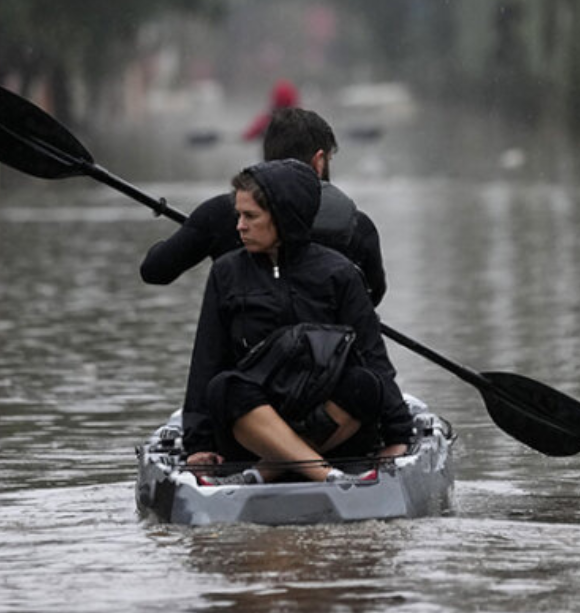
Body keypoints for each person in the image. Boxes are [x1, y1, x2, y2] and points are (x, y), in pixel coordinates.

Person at [182, 159, 411, 484]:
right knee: (223, 387)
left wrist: (398, 435)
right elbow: (206, 360)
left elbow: (375, 357)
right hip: (256, 422)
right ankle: (325, 474)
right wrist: (197, 444)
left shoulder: (340, 273)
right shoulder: (226, 273)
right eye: (239, 215)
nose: (239, 227)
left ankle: (266, 471)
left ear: (283, 217)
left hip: (328, 419)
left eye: (250, 216)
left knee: (364, 383)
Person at [139, 107, 388, 306]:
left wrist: (192, 233)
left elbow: (154, 271)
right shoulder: (358, 226)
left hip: (246, 364)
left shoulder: (219, 215)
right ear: (319, 162)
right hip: (330, 362)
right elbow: (373, 296)